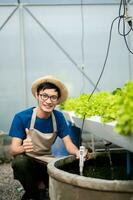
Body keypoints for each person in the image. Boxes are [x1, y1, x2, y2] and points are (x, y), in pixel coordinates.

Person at [9, 75, 89, 200]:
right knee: (19, 162)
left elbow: (69, 145)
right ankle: (34, 193)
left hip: (47, 160)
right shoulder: (22, 117)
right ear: (37, 95)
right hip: (28, 161)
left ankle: (38, 190)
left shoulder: (58, 117)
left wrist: (78, 152)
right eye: (44, 96)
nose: (48, 101)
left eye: (53, 97)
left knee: (71, 168)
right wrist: (23, 147)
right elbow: (13, 150)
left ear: (57, 100)